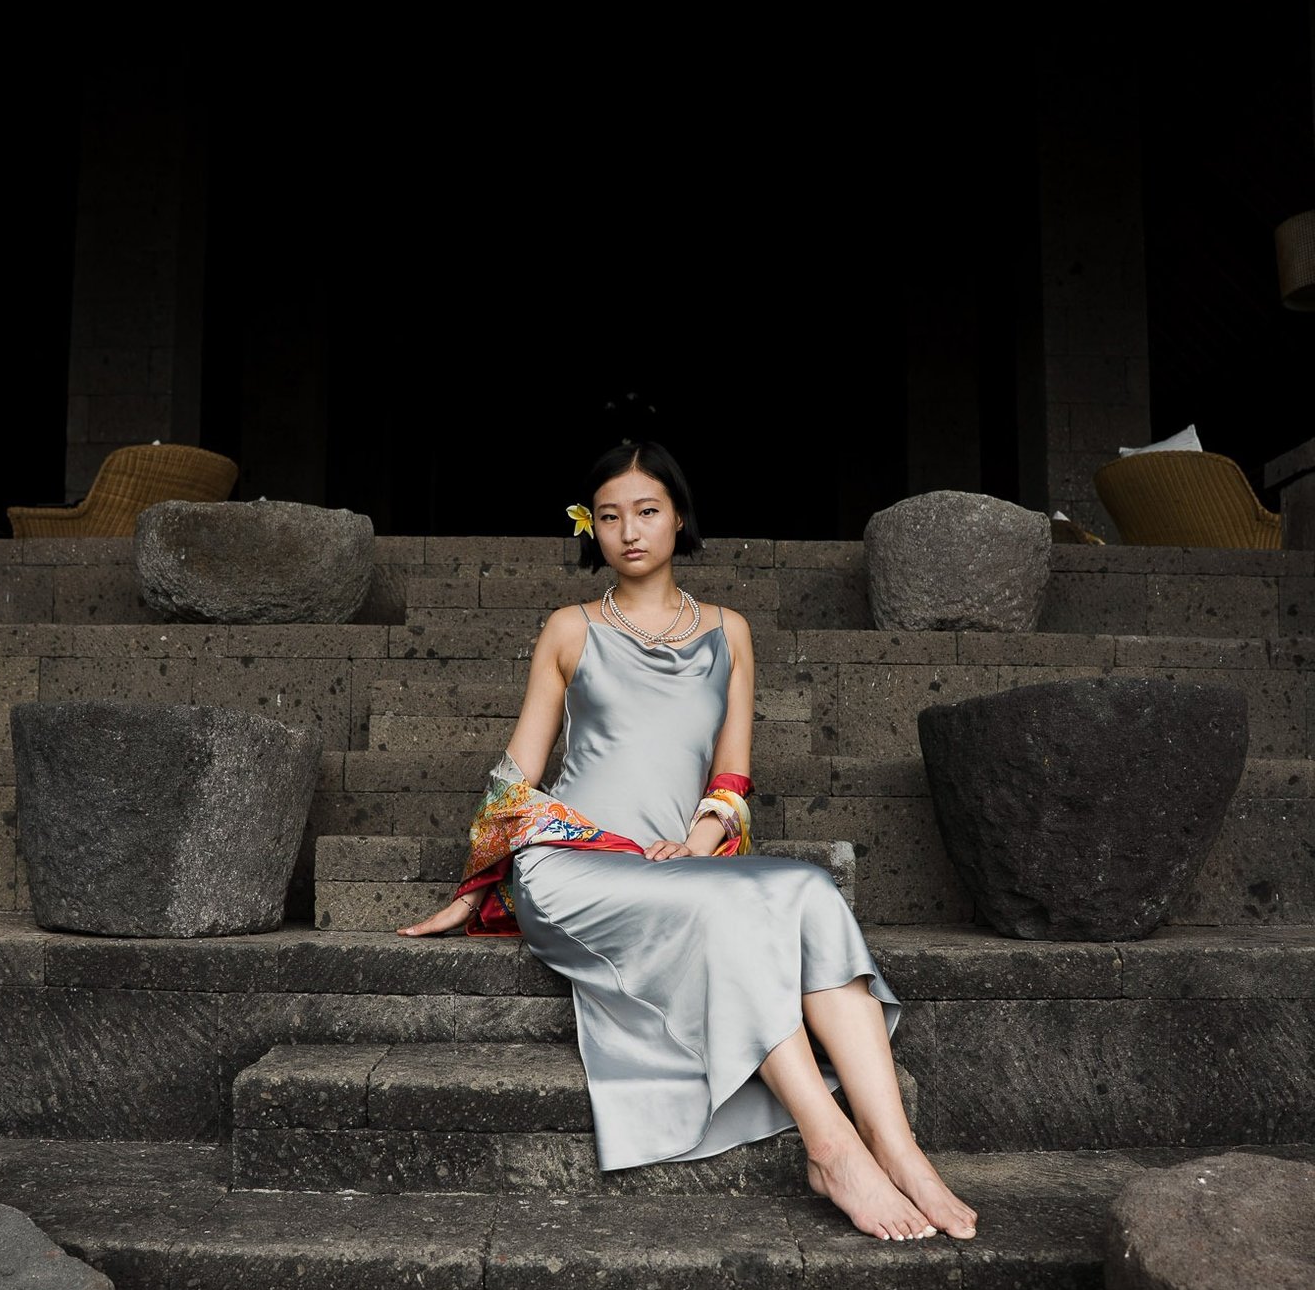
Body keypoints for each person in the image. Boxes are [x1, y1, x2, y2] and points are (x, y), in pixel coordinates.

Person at [400, 442, 977, 1242]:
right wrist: (474, 887)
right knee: (729, 914)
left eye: (647, 511)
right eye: (609, 517)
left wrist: (700, 842)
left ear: (678, 517)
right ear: (592, 528)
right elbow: (517, 775)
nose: (629, 531)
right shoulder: (570, 628)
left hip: (677, 862)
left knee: (810, 890)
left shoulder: (729, 631)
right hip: (573, 864)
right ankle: (832, 1146)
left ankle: (901, 1150)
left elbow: (732, 774)